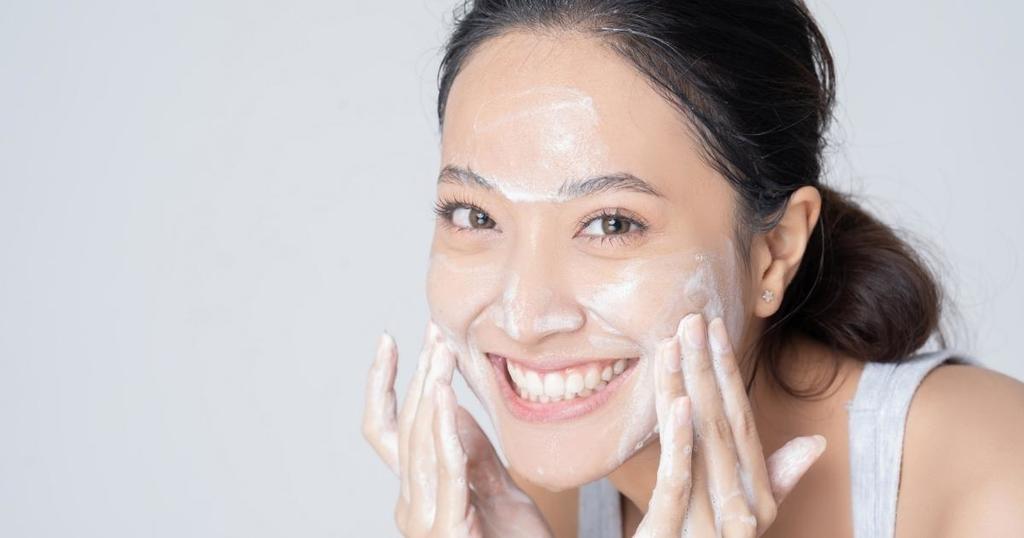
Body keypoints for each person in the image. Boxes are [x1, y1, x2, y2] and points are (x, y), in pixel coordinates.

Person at [363, 1, 1024, 536]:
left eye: (612, 224)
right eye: (475, 216)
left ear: (775, 252)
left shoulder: (995, 475)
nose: (526, 318)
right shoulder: (541, 495)